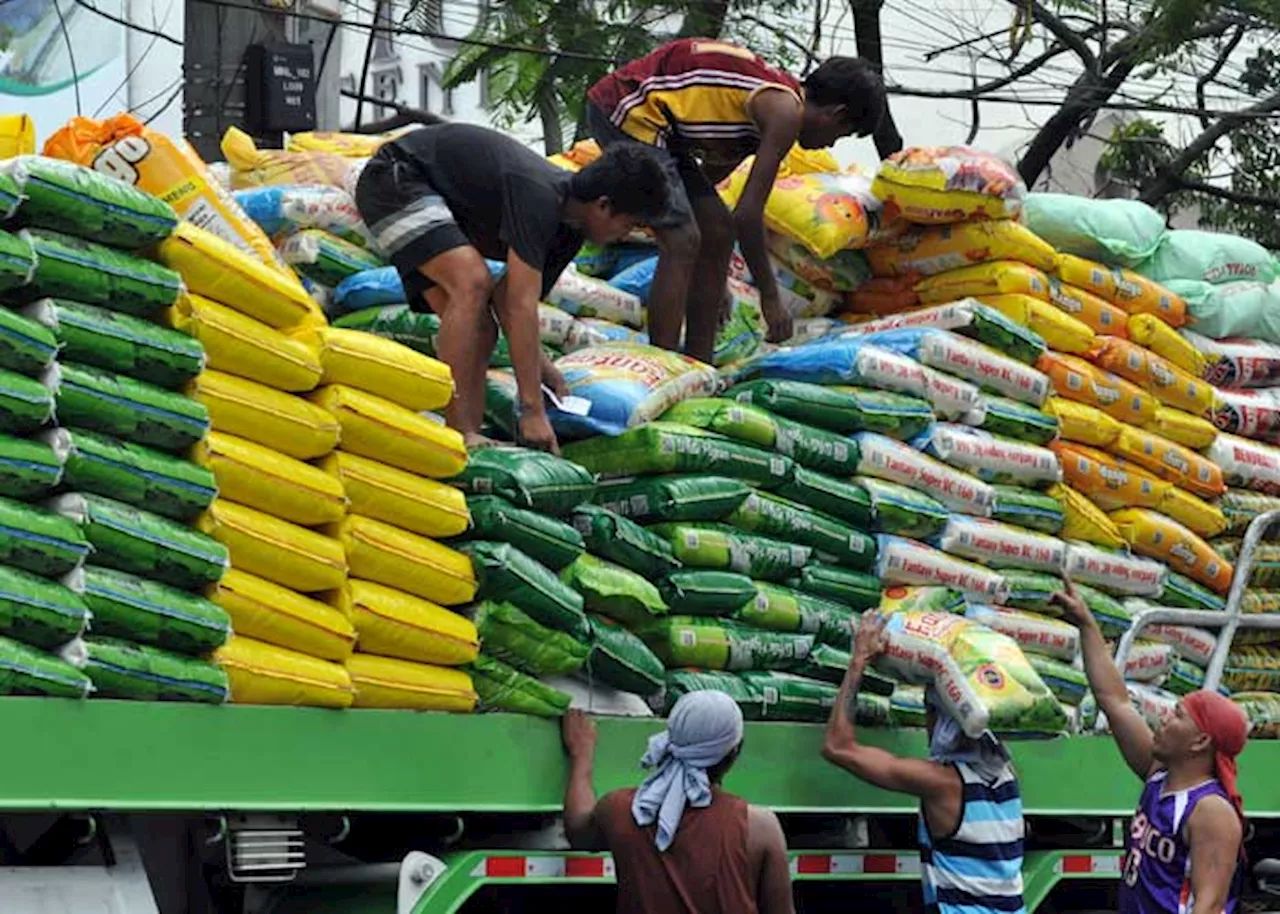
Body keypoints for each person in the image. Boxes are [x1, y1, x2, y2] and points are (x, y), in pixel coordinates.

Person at [354, 122, 670, 453]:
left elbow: (508, 303)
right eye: (629, 224)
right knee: (471, 283)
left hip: (440, 203)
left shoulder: (569, 232)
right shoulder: (540, 196)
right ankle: (459, 431)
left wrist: (543, 369)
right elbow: (520, 305)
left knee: (483, 328)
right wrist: (531, 410)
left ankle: (469, 443)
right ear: (603, 205)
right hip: (394, 180)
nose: (626, 235)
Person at [585, 39, 887, 362]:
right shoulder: (785, 113)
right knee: (682, 239)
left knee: (716, 228)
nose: (829, 145)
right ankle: (663, 361)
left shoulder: (757, 115)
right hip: (630, 111)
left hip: (665, 134)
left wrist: (711, 279)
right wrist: (770, 298)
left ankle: (700, 363)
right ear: (836, 115)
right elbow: (748, 213)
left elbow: (710, 192)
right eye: (840, 135)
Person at [1051, 580, 1249, 914]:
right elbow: (1114, 700)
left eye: (1178, 716)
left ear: (1200, 741)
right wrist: (1087, 624)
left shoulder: (1210, 811)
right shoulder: (1159, 777)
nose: (1164, 720)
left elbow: (1210, 905)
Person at [821, 615, 1027, 914]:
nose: (927, 723)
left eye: (930, 710)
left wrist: (859, 661)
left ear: (947, 722)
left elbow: (837, 746)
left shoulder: (943, 784)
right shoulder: (1007, 775)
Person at [560, 694, 794, 914]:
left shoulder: (622, 810)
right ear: (733, 753)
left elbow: (577, 828)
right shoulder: (760, 828)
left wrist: (582, 754)